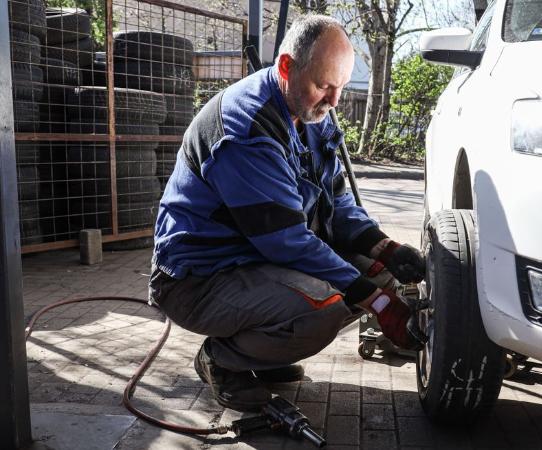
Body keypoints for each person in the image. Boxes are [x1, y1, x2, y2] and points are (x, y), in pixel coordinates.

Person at [148, 15, 425, 412]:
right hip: (200, 278)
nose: (333, 101)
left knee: (380, 273)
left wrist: (385, 248)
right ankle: (223, 360)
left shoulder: (309, 115)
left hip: (254, 259)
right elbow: (287, 242)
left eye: (340, 89)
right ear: (285, 67)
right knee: (322, 310)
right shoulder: (247, 129)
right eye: (324, 87)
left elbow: (337, 204)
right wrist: (379, 304)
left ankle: (264, 351)